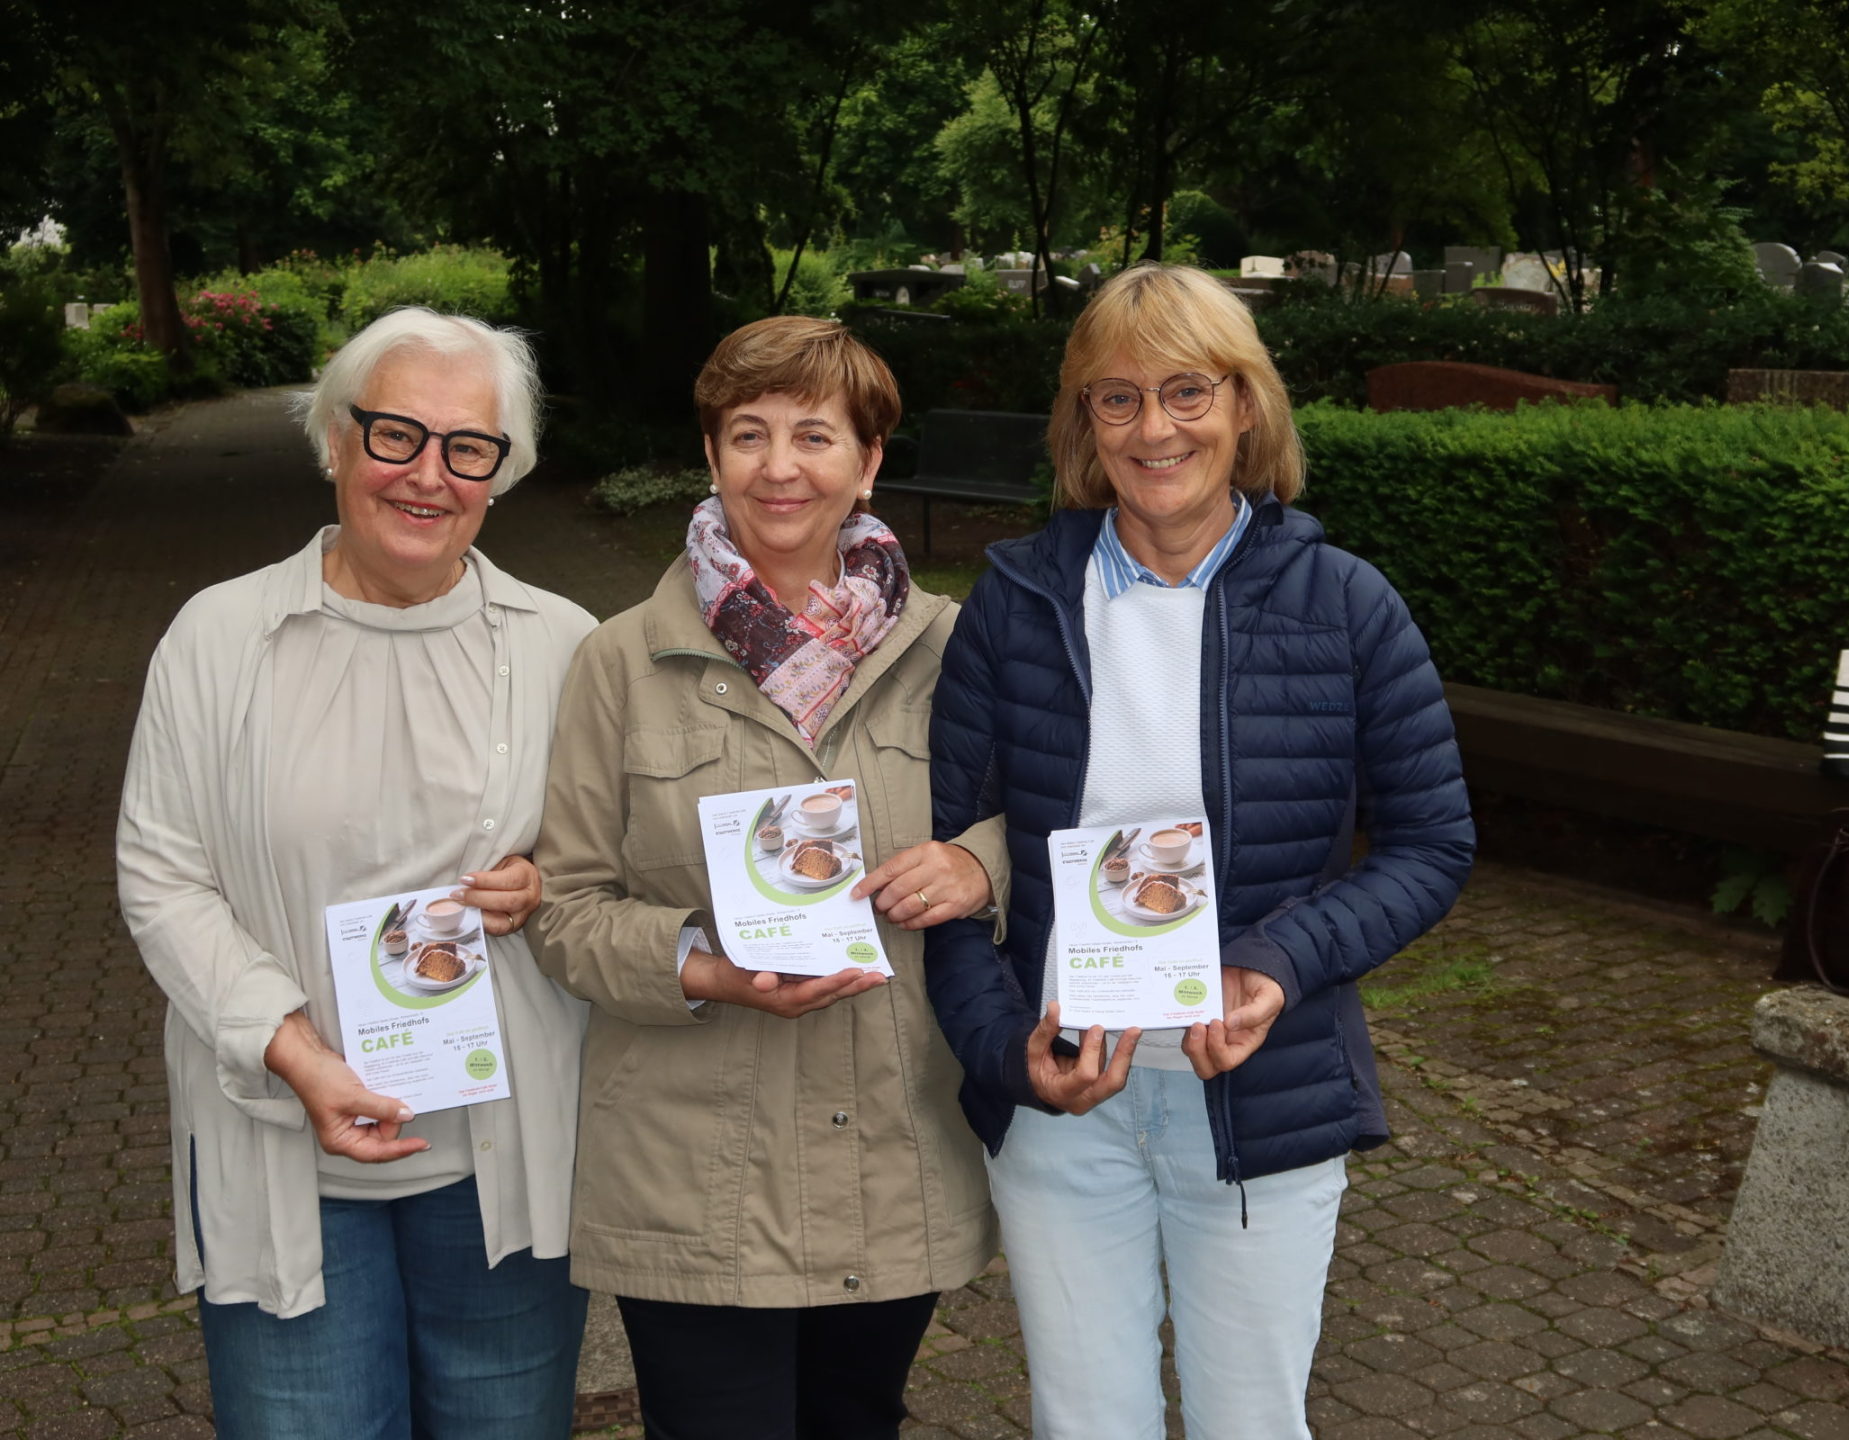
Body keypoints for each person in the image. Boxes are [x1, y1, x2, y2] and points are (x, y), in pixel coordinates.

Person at [923, 263, 1476, 1440]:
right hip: (1068, 1096)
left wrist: (1277, 961)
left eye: (1187, 390)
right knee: (1086, 1422)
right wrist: (1009, 1057)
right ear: (1084, 426)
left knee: (1249, 1424)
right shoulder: (1015, 604)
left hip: (1259, 1097)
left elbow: (1433, 843)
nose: (1154, 427)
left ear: (1244, 407)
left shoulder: (1346, 606)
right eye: (1115, 399)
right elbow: (952, 875)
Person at [117, 308, 596, 1440]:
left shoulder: (565, 644)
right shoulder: (219, 638)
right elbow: (161, 874)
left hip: (502, 1158)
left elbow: (608, 863)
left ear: (501, 472)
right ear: (335, 440)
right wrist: (293, 1050)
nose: (428, 475)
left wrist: (547, 889)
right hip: (287, 1143)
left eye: (467, 447)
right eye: (394, 435)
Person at [529, 315, 1002, 1440]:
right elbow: (564, 907)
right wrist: (704, 964)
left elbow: (1039, 824)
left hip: (891, 1149)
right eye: (748, 434)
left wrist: (979, 869)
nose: (780, 467)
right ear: (710, 455)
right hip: (695, 1174)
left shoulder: (956, 645)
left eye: (815, 435)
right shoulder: (621, 659)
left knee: (858, 1423)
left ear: (868, 461)